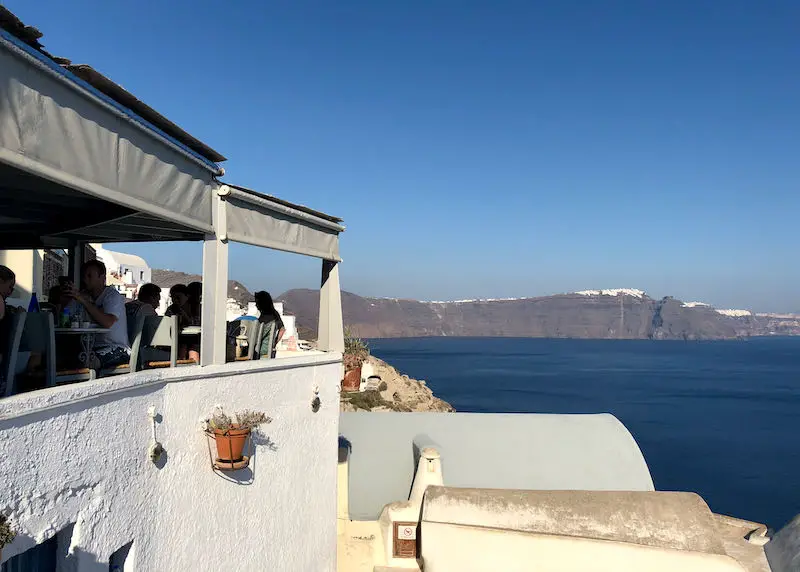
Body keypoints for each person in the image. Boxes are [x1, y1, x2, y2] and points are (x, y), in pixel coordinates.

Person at [63, 259, 130, 369]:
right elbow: (66, 317)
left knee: (87, 363)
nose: (85, 280)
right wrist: (66, 300)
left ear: (102, 278)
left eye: (89, 276)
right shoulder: (83, 295)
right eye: (84, 276)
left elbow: (107, 322)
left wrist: (83, 301)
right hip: (89, 346)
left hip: (116, 348)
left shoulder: (112, 296)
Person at [254, 291, 285, 359]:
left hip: (260, 352)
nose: (255, 305)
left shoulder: (264, 318)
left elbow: (257, 337)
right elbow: (282, 330)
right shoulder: (275, 314)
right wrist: (274, 343)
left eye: (257, 303)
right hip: (270, 351)